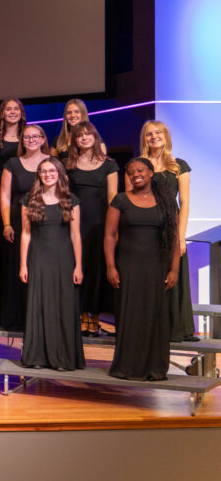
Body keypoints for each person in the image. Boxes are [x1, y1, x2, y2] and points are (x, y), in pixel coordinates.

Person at [105, 157, 180, 381]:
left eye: (140, 170)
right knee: (130, 315)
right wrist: (110, 266)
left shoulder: (166, 201)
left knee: (154, 315)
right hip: (127, 266)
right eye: (130, 172)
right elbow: (109, 236)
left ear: (150, 173)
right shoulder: (120, 200)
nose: (135, 174)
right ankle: (126, 367)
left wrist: (174, 269)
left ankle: (154, 368)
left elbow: (174, 238)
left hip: (156, 266)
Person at [19, 158, 85, 371]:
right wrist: (23, 264)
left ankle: (62, 358)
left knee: (62, 307)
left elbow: (76, 235)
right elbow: (26, 234)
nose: (47, 174)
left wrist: (78, 265)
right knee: (38, 306)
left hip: (64, 258)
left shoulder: (71, 200)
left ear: (59, 174)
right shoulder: (30, 200)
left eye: (51, 171)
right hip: (38, 258)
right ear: (39, 175)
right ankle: (37, 356)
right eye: (43, 171)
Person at [139, 120, 195, 342]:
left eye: (158, 132)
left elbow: (186, 203)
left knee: (173, 277)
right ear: (144, 139)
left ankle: (175, 329)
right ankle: (150, 326)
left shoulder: (179, 165)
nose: (154, 137)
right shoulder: (139, 165)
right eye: (149, 134)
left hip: (170, 227)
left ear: (165, 136)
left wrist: (181, 237)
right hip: (146, 228)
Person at [65, 121, 118, 337]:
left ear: (95, 137)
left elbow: (113, 198)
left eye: (88, 134)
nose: (84, 138)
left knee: (96, 269)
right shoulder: (68, 165)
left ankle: (94, 317)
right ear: (75, 140)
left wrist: (113, 228)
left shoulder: (109, 165)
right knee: (78, 267)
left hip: (100, 224)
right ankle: (79, 315)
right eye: (80, 135)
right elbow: (65, 196)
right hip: (76, 223)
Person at [0, 125, 51, 331]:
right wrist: (7, 224)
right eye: (26, 137)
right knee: (18, 268)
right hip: (18, 222)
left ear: (42, 138)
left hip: (45, 221)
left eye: (35, 136)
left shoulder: (51, 162)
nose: (30, 140)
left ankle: (40, 317)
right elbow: (4, 195)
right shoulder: (12, 163)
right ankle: (17, 319)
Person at [0, 98, 26, 170]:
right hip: (0, 180)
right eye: (8, 109)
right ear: (2, 113)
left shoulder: (28, 137)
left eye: (16, 109)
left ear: (21, 112)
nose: (13, 112)